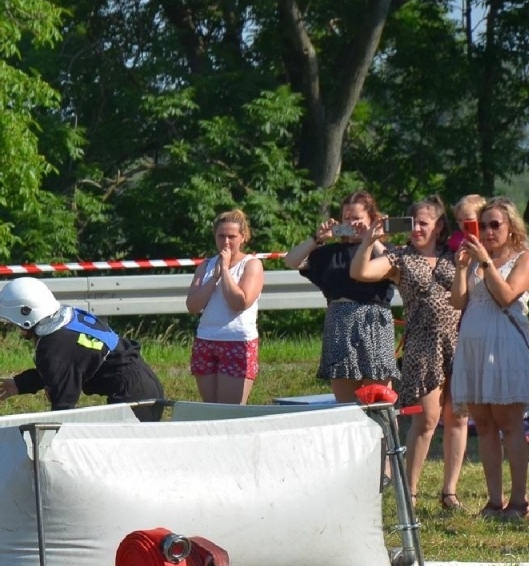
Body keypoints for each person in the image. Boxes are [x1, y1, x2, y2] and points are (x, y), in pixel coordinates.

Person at [351, 197, 467, 509]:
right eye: (412, 223)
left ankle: (449, 492)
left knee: (457, 417)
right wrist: (369, 241)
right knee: (427, 420)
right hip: (423, 344)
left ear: (439, 226)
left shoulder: (453, 255)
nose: (416, 229)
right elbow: (360, 271)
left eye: (424, 224)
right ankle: (410, 492)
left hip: (460, 340)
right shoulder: (399, 257)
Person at [450, 198, 529, 520]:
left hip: (504, 348)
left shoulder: (525, 258)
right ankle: (493, 500)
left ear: (511, 227)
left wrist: (486, 262)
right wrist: (462, 268)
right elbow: (458, 302)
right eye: (481, 225)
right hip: (473, 347)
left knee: (509, 424)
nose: (487, 231)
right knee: (484, 424)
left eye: (494, 225)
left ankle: (519, 501)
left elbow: (506, 295)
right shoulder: (475, 261)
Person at [284, 192, 399, 403]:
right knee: (345, 402)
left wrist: (371, 239)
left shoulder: (384, 250)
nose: (352, 223)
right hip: (340, 322)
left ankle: (384, 436)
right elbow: (291, 261)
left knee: (380, 399)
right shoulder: (329, 252)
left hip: (375, 321)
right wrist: (316, 239)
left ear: (371, 220)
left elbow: (394, 267)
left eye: (357, 218)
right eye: (347, 218)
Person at [0, 277, 164, 410]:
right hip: (141, 383)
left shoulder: (55, 345)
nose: (15, 327)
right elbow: (67, 367)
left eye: (15, 323)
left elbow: (64, 408)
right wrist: (21, 383)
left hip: (135, 395)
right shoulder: (65, 318)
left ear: (26, 314)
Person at [185, 210, 264, 404]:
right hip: (207, 338)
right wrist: (215, 276)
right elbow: (193, 306)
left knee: (231, 410)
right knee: (212, 408)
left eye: (232, 237)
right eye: (221, 236)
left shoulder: (251, 264)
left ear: (243, 237)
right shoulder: (206, 266)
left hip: (237, 340)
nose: (226, 242)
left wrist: (227, 271)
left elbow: (240, 302)